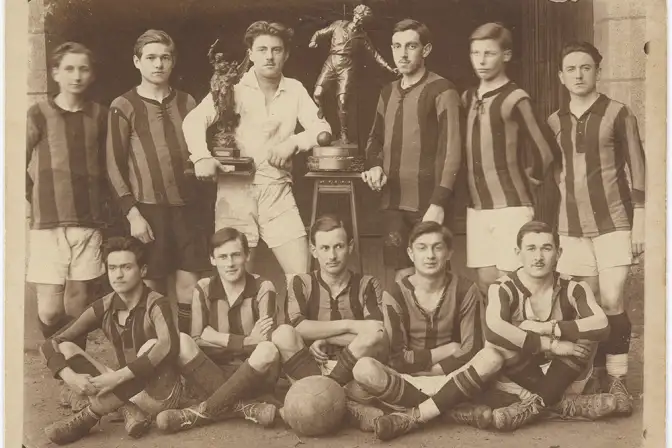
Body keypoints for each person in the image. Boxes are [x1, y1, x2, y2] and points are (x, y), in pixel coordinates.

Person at [366, 221, 618, 441]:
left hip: (566, 376)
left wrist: (547, 327)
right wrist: (551, 344)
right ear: (518, 253)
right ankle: (416, 417)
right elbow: (495, 331)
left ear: (558, 253)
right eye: (531, 249)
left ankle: (533, 408)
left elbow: (602, 324)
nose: (538, 256)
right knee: (493, 352)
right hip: (520, 379)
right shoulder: (504, 287)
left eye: (546, 248)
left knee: (588, 335)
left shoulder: (574, 288)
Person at [39, 237, 235, 445]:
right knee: (66, 347)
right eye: (113, 268)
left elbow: (168, 346)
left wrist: (117, 377)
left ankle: (90, 415)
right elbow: (50, 343)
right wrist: (70, 377)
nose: (118, 274)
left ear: (142, 271)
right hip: (125, 392)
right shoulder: (103, 306)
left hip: (161, 394)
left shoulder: (157, 303)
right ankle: (127, 409)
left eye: (126, 267)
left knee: (152, 346)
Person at [183, 21, 331, 278]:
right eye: (262, 49)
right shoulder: (232, 87)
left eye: (276, 50)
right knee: (234, 280)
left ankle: (296, 320)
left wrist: (293, 143)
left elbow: (323, 129)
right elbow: (194, 121)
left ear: (286, 54)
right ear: (250, 54)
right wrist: (201, 157)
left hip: (277, 192)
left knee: (302, 276)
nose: (269, 56)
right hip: (235, 193)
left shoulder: (294, 89)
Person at [548, 41, 646, 415]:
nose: (578, 74)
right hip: (570, 227)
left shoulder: (619, 113)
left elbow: (639, 166)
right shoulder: (554, 120)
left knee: (612, 301)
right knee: (582, 306)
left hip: (614, 223)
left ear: (597, 71)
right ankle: (592, 374)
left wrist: (640, 221)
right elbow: (555, 168)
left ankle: (617, 377)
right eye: (571, 69)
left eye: (586, 67)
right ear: (561, 76)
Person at [106, 29, 210, 334]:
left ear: (173, 62)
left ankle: (187, 354)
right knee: (151, 288)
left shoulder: (188, 102)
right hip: (148, 211)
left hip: (188, 209)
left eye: (165, 57)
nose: (158, 64)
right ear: (137, 62)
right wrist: (132, 213)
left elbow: (201, 150)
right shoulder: (123, 105)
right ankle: (152, 357)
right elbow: (113, 165)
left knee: (189, 287)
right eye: (151, 58)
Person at [26, 42, 109, 411]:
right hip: (47, 223)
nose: (77, 76)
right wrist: (34, 197)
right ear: (56, 73)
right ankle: (63, 369)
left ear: (91, 74)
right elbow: (12, 162)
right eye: (69, 69)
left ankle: (75, 381)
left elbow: (110, 165)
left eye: (84, 69)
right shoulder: (38, 114)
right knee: (48, 310)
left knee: (77, 307)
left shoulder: (100, 115)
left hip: (89, 222)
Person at [349, 221, 486, 440]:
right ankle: (450, 410)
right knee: (363, 369)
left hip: (452, 376)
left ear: (449, 253)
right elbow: (397, 358)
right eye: (422, 248)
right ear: (411, 254)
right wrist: (447, 349)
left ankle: (416, 412)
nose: (430, 255)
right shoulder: (395, 293)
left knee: (491, 357)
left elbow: (472, 348)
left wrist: (435, 371)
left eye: (437, 247)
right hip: (410, 378)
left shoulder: (465, 289)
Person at [360, 19, 462, 281]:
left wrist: (439, 203)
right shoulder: (387, 92)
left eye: (410, 46)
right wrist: (373, 166)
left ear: (425, 50)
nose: (402, 54)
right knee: (401, 278)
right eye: (396, 46)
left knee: (434, 277)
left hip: (428, 204)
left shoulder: (443, 90)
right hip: (393, 203)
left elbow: (452, 151)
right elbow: (374, 139)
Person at [154, 227, 280, 433]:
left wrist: (214, 336)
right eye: (222, 257)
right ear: (212, 260)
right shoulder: (203, 288)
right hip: (212, 372)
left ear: (247, 256)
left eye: (235, 255)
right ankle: (246, 407)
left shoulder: (263, 287)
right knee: (183, 340)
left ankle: (196, 414)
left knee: (268, 350)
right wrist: (245, 341)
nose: (229, 263)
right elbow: (197, 339)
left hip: (253, 375)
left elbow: (262, 342)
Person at [270, 214, 389, 432]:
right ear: (313, 251)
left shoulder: (367, 284)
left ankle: (318, 402)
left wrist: (323, 337)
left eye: (338, 246)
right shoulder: (301, 282)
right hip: (310, 366)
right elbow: (297, 326)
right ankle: (349, 407)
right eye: (324, 248)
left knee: (373, 340)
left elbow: (375, 332)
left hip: (353, 368)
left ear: (350, 247)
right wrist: (351, 325)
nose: (332, 256)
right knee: (282, 334)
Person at [462, 23, 557, 295]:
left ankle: (523, 338)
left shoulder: (516, 98)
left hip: (511, 206)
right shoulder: (468, 97)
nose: (480, 60)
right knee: (485, 281)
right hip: (478, 207)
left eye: (489, 53)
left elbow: (546, 149)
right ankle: (497, 338)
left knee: (513, 282)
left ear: (505, 55)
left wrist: (534, 176)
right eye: (475, 53)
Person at [308, 3, 397, 144]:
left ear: (364, 23)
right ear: (354, 15)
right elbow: (320, 33)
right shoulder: (338, 25)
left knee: (343, 102)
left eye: (361, 19)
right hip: (331, 61)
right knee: (318, 93)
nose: (357, 20)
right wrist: (313, 40)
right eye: (357, 16)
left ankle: (344, 133)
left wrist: (389, 68)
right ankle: (321, 108)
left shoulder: (362, 36)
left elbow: (375, 55)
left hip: (347, 67)